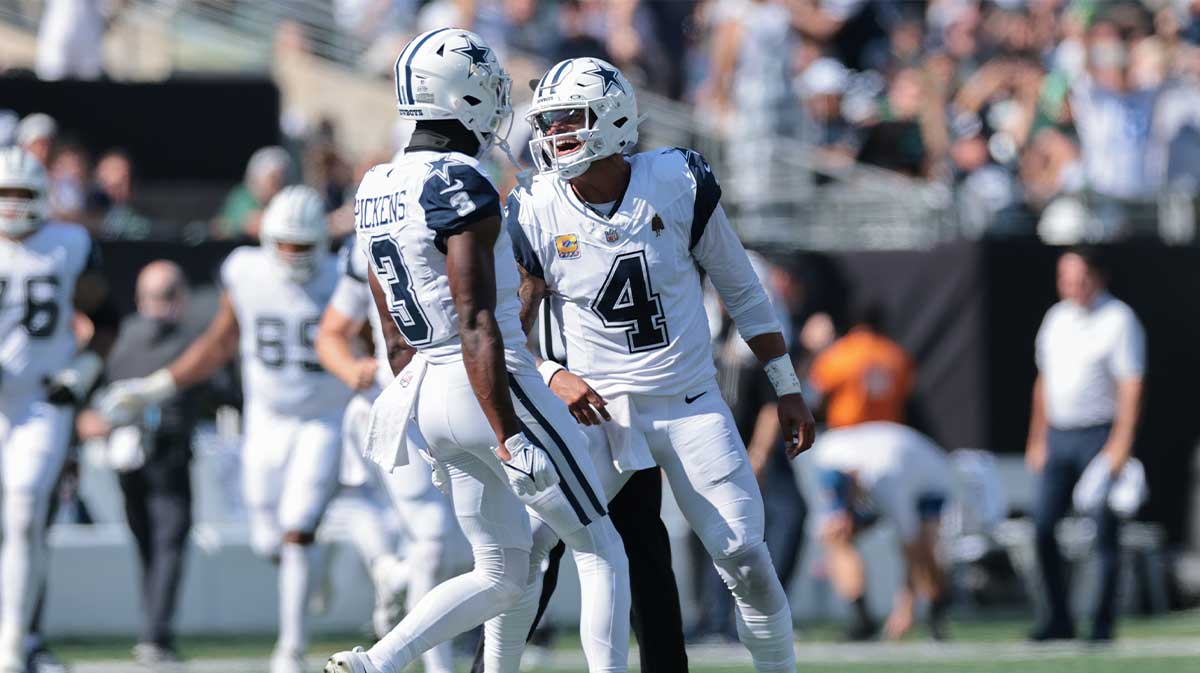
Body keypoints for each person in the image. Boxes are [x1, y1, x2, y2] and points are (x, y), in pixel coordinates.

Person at [323, 28, 630, 673]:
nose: (497, 98)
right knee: (600, 543)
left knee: (502, 572)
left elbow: (389, 317)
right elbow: (477, 317)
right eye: (486, 84)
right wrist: (509, 432)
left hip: (426, 390)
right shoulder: (459, 177)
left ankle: (374, 662)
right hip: (491, 384)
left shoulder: (377, 182)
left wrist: (416, 389)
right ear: (457, 96)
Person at [501, 56, 817, 673]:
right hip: (600, 413)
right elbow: (510, 326)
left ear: (614, 119)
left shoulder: (674, 180)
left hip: (691, 404)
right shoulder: (537, 205)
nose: (556, 134)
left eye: (571, 119)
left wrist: (786, 386)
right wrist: (552, 373)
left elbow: (742, 289)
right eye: (550, 121)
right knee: (532, 548)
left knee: (747, 560)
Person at [97, 186, 353, 673]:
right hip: (267, 418)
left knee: (296, 526)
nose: (294, 256)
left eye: (304, 246)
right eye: (286, 244)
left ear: (322, 243)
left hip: (324, 416)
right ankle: (314, 568)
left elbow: (373, 344)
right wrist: (156, 387)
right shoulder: (247, 271)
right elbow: (218, 345)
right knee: (266, 538)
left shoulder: (345, 278)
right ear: (268, 240)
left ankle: (290, 651)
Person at [316, 241, 470, 673]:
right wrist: (353, 371)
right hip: (402, 405)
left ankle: (394, 576)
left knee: (472, 548)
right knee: (433, 539)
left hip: (462, 401)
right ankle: (431, 664)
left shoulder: (461, 227)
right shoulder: (364, 248)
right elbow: (331, 332)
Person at [0, 147, 113, 673]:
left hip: (41, 400)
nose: (13, 205)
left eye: (22, 194)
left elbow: (107, 318)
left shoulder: (68, 244)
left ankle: (12, 645)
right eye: (5, 194)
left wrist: (82, 373)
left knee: (24, 514)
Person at [76, 261, 200, 665]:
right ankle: (155, 635)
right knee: (167, 543)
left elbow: (93, 388)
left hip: (125, 456)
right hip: (163, 452)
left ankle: (152, 630)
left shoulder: (124, 335)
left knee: (150, 544)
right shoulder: (184, 339)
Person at [1025, 246, 1145, 643]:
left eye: (1079, 278)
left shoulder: (1118, 319)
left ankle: (1102, 623)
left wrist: (1120, 444)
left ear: (1098, 277)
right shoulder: (1056, 318)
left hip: (1099, 435)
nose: (1072, 287)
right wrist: (1037, 437)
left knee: (1103, 533)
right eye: (1066, 278)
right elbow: (1043, 382)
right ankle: (1058, 618)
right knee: (1042, 527)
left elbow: (1130, 384)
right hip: (1059, 435)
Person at [811, 421, 953, 641]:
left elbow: (911, 547)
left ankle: (937, 610)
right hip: (887, 466)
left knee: (924, 549)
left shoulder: (888, 480)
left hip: (928, 479)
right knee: (836, 537)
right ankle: (862, 619)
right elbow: (833, 517)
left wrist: (905, 607)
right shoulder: (826, 454)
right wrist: (839, 516)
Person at [808, 300, 915, 429]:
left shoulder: (840, 353)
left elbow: (813, 397)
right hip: (888, 432)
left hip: (848, 433)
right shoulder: (897, 356)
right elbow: (907, 393)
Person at [213, 146, 292, 241]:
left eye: (283, 178)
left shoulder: (286, 200)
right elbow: (252, 225)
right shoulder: (242, 197)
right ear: (258, 178)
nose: (279, 183)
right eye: (274, 179)